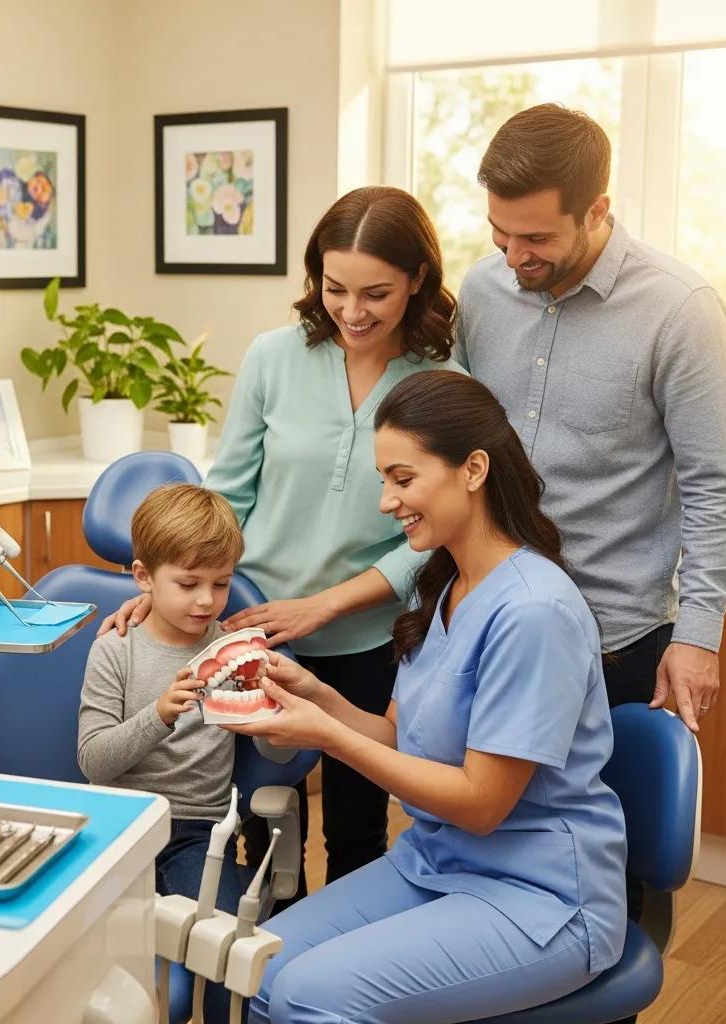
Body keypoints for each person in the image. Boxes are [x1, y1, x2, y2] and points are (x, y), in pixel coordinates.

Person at [227, 370, 627, 1024]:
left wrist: (326, 737)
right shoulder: (439, 584)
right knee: (262, 962)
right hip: (436, 863)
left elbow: (480, 804)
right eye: (383, 479)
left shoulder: (533, 612)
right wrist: (316, 695)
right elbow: (395, 736)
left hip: (542, 898)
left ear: (473, 469)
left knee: (309, 994)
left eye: (403, 479)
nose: (386, 501)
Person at [100, 186, 466, 887]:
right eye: (335, 289)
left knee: (359, 827)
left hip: (371, 638)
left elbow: (434, 535)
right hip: (254, 621)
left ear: (418, 280)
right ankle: (262, 973)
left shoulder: (444, 382)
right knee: (260, 827)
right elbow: (228, 495)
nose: (352, 312)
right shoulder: (273, 357)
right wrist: (161, 592)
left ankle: (342, 979)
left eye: (376, 294)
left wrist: (325, 606)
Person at [454, 103, 726, 733]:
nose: (513, 257)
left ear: (597, 210)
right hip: (492, 616)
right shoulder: (481, 292)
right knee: (488, 819)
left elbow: (715, 490)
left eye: (537, 239)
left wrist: (699, 636)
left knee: (606, 828)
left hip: (614, 638)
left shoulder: (681, 311)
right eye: (500, 233)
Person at [77, 483, 246, 1024]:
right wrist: (159, 715)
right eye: (189, 583)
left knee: (227, 946)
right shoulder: (115, 649)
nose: (206, 601)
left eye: (221, 584)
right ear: (143, 577)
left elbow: (272, 745)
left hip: (199, 833)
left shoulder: (232, 649)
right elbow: (94, 762)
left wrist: (267, 704)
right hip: (120, 830)